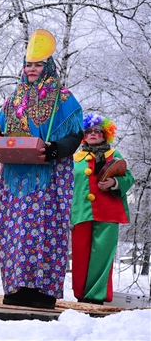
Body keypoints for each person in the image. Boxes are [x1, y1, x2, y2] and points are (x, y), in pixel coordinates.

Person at [0, 29, 83, 309]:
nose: (32, 69)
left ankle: (43, 292)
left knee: (46, 229)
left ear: (49, 67)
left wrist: (54, 149)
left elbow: (75, 134)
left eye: (38, 64)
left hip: (49, 178)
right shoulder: (14, 99)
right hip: (16, 180)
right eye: (28, 64)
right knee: (15, 231)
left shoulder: (64, 99)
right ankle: (16, 288)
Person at [71, 114, 134, 305]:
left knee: (102, 255)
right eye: (88, 131)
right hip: (81, 212)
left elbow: (129, 178)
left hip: (108, 212)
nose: (92, 134)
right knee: (80, 254)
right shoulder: (75, 158)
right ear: (83, 136)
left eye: (97, 131)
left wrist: (114, 182)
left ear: (105, 134)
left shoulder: (114, 155)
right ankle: (81, 295)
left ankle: (95, 297)